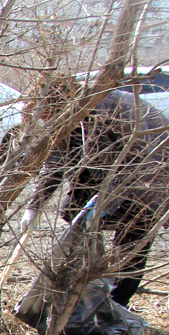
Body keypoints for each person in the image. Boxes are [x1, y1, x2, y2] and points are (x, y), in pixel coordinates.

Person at [22, 76, 169, 307]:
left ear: (63, 103)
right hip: (103, 169)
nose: (45, 119)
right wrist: (34, 206)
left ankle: (116, 306)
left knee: (133, 239)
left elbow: (138, 161)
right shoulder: (65, 118)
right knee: (73, 211)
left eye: (47, 113)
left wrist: (106, 201)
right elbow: (56, 161)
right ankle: (90, 271)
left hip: (152, 177)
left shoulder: (118, 109)